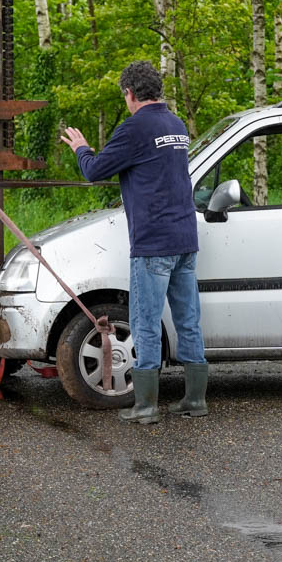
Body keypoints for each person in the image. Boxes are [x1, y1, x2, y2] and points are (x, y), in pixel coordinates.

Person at [61, 61, 207, 424]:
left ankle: (145, 406)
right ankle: (194, 400)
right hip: (185, 238)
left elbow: (95, 171)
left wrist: (81, 148)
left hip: (154, 241)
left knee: (144, 319)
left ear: (129, 93)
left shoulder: (135, 128)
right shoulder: (176, 124)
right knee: (188, 319)